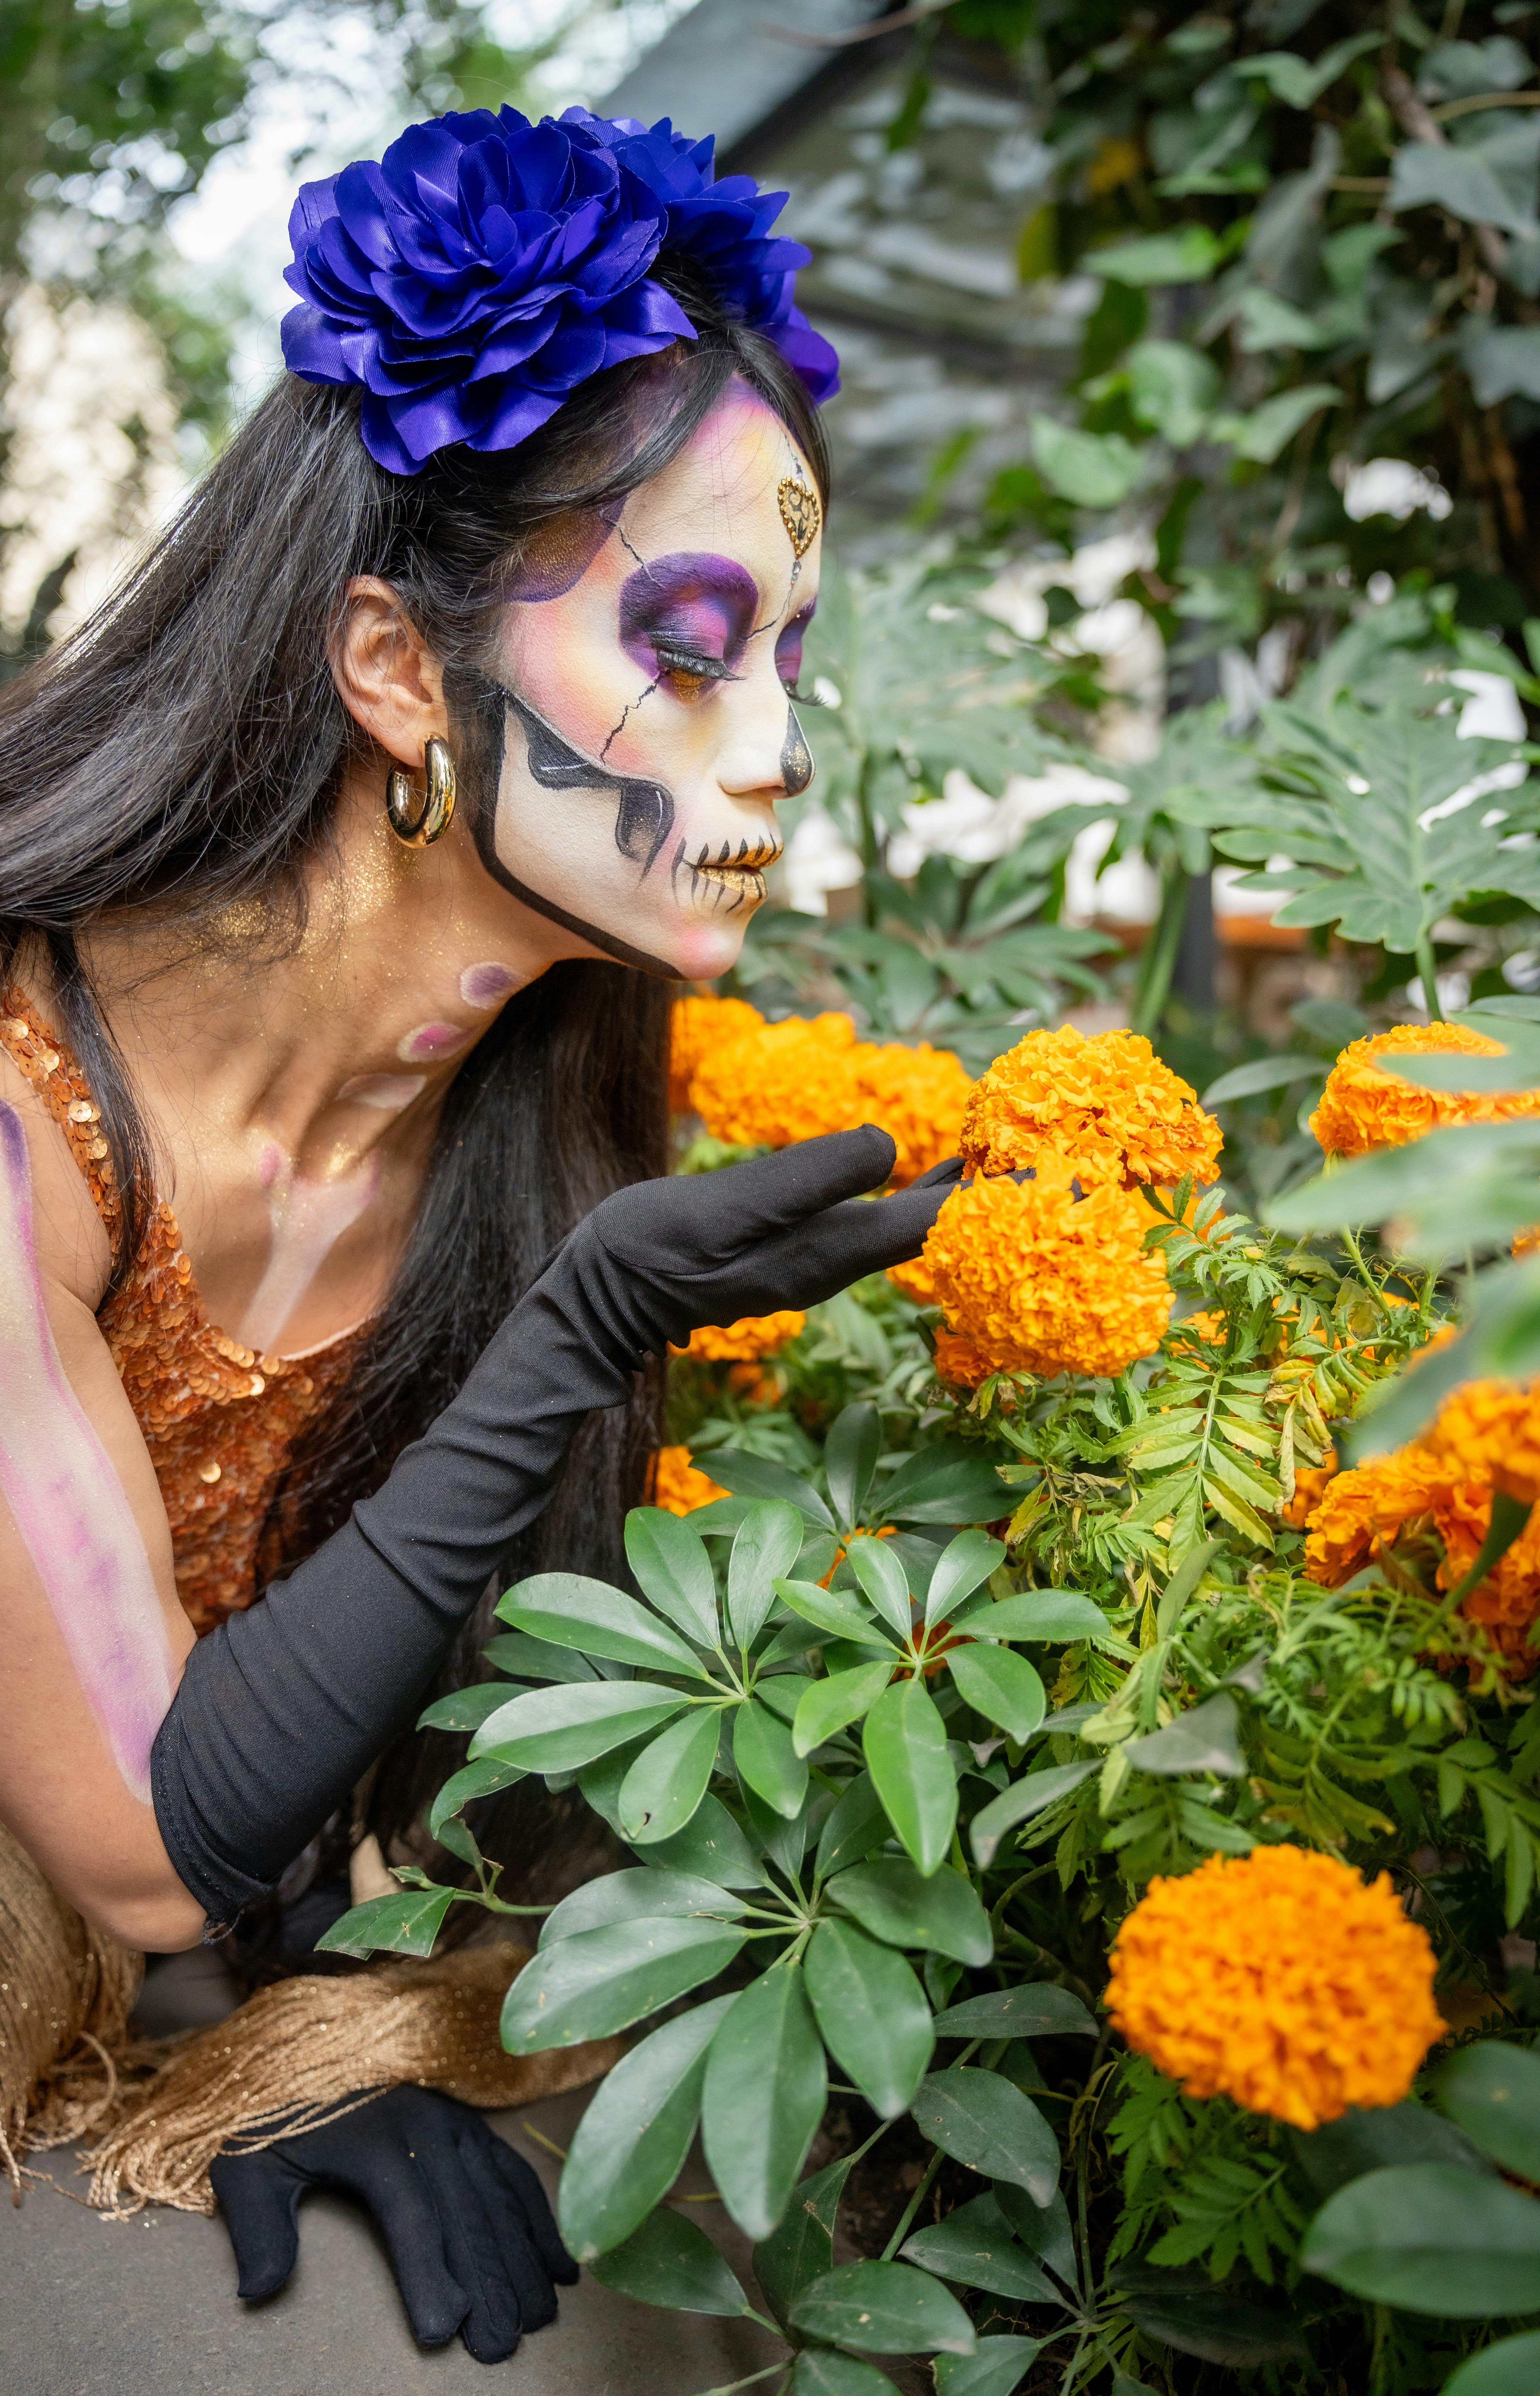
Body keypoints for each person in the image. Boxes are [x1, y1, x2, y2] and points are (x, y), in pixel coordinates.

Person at [0, 105, 956, 2364]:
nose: (773, 752)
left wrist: (327, 2016)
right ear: (398, 672)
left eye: (789, 659)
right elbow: (142, 1848)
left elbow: (444, 1726)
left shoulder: (523, 1099)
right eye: (693, 642)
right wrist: (587, 1315)